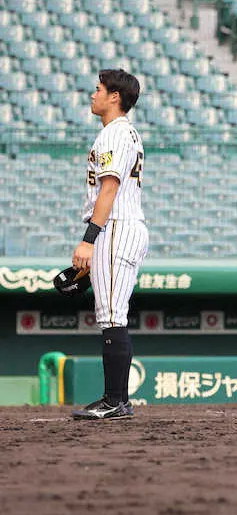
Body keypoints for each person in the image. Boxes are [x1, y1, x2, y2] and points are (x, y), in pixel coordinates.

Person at [71, 69, 149, 420]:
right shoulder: (117, 133)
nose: (93, 95)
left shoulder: (116, 134)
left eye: (98, 89)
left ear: (114, 97)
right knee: (110, 316)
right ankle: (116, 399)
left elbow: (110, 188)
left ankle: (115, 400)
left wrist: (89, 240)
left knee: (113, 316)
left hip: (115, 228)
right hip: (117, 228)